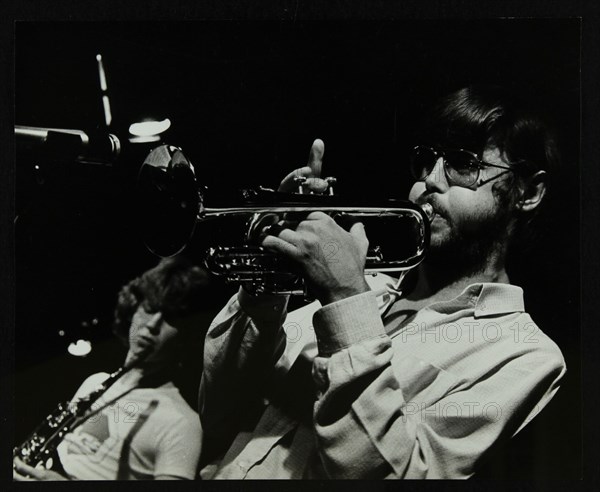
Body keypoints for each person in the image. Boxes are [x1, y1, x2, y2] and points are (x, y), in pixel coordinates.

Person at [197, 85, 567, 479]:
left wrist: (344, 299)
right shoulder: (367, 286)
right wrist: (266, 285)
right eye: (426, 162)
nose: (428, 182)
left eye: (463, 163)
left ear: (528, 192)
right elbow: (220, 413)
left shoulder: (525, 355)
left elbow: (396, 474)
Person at [14, 256, 210, 480]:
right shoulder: (94, 382)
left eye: (171, 318)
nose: (152, 325)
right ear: (133, 309)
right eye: (150, 308)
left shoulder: (183, 424)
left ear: (187, 335)